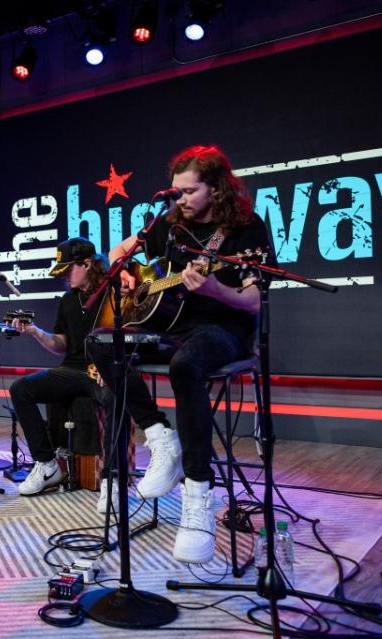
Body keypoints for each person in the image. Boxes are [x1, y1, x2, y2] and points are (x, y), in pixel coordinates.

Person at [86, 144, 275, 564]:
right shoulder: (169, 224)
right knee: (99, 341)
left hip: (223, 330)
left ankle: (198, 496)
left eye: (189, 192)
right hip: (169, 326)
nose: (181, 200)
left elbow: (255, 301)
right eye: (175, 192)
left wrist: (215, 289)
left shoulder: (246, 230)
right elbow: (115, 256)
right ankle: (159, 435)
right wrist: (134, 280)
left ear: (216, 189)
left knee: (185, 365)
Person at [8, 238, 112, 509]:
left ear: (87, 264)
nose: (66, 276)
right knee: (21, 389)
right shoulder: (68, 300)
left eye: (70, 269)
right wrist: (35, 332)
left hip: (102, 370)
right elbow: (61, 345)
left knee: (115, 397)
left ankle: (111, 477)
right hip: (73, 370)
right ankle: (47, 464)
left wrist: (110, 365)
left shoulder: (112, 292)